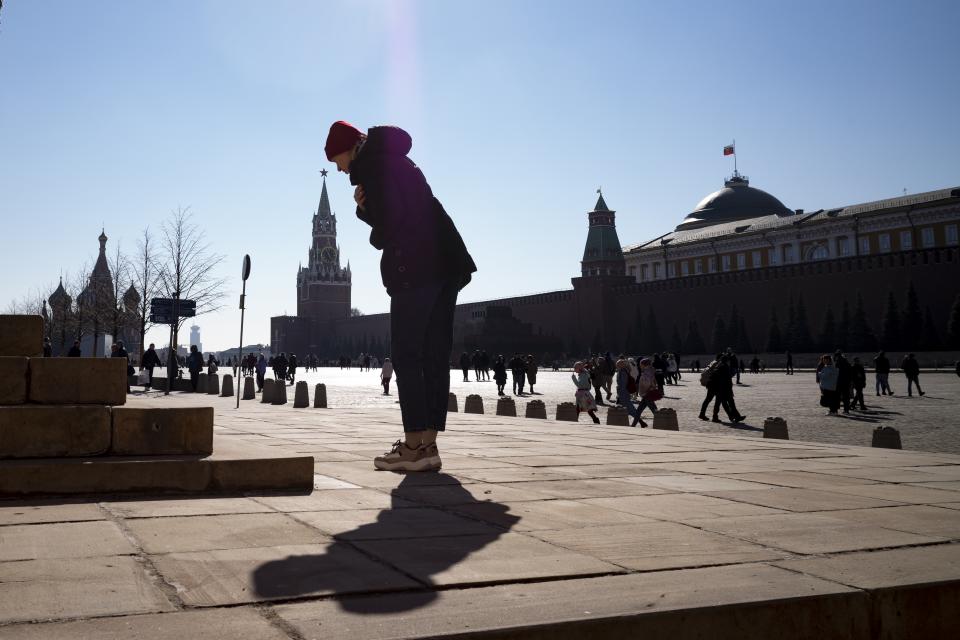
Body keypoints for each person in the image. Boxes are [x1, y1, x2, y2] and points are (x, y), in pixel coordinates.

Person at [327, 120, 475, 471]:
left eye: (336, 160)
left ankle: (411, 446)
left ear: (346, 149)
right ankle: (428, 447)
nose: (338, 168)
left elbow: (393, 225)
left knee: (407, 356)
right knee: (434, 356)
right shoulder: (394, 159)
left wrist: (365, 212)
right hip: (445, 265)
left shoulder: (373, 167)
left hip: (416, 268)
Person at [615, 359, 642, 427]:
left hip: (623, 392)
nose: (616, 365)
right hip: (622, 392)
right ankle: (621, 421)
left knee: (630, 408)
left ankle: (640, 421)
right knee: (625, 408)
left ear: (621, 365)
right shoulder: (622, 371)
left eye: (618, 364)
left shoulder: (623, 372)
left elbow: (624, 384)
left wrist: (620, 392)